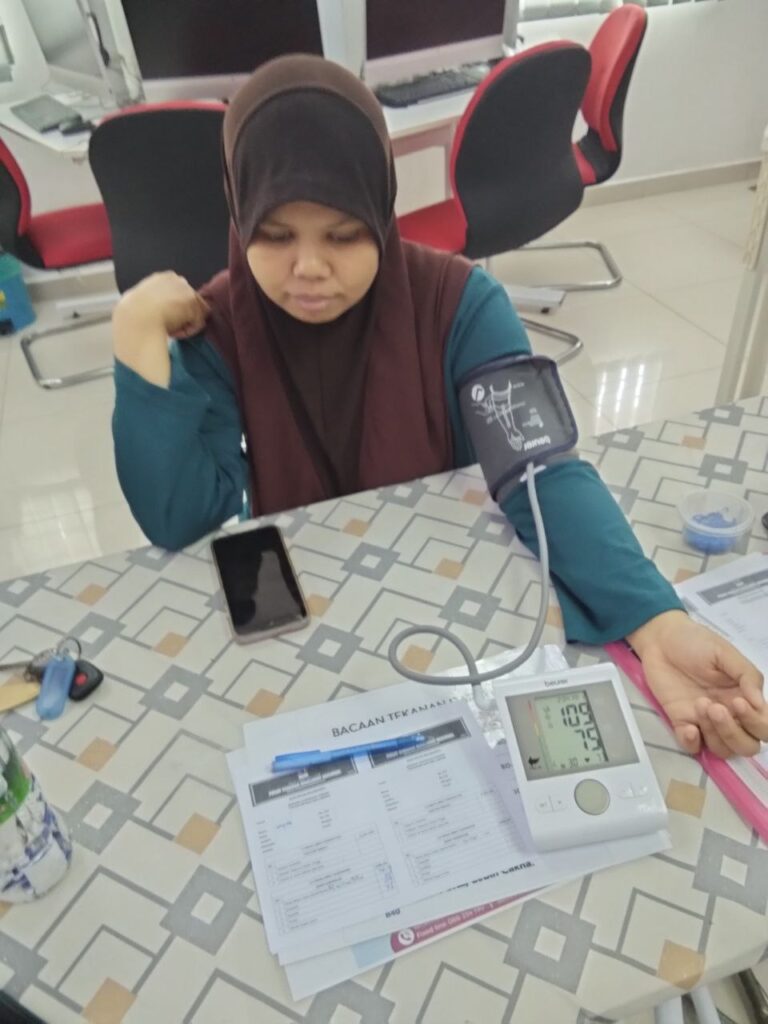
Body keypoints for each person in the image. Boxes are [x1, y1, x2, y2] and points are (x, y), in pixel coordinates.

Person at [112, 55, 765, 760]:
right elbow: (181, 515)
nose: (309, 268)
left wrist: (656, 621)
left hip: (453, 616)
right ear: (239, 216)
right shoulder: (222, 325)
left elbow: (540, 472)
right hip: (311, 635)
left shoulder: (459, 304)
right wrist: (137, 339)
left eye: (343, 233)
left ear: (381, 210)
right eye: (274, 235)